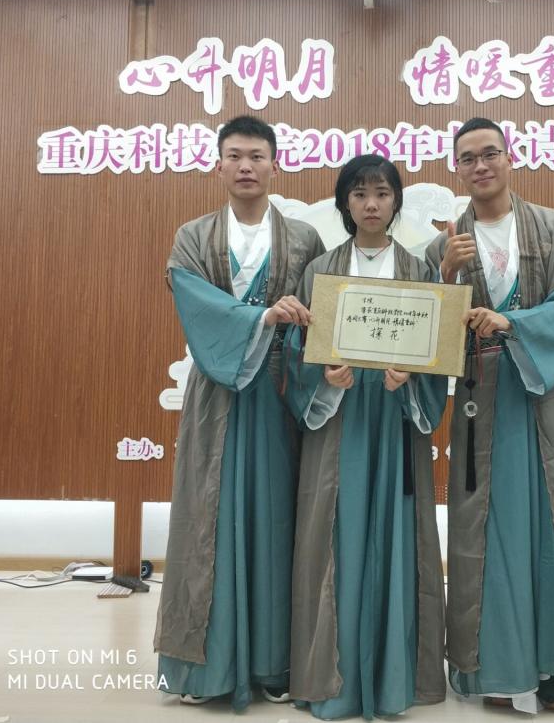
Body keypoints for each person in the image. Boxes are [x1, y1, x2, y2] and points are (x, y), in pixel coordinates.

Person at [426, 118, 554, 717]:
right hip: (479, 398)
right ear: (456, 168)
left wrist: (513, 322)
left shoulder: (552, 229)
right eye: (468, 158)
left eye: (490, 154)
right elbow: (427, 331)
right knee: (488, 530)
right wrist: (445, 277)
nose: (480, 166)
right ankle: (496, 668)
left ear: (510, 158)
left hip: (542, 396)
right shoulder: (446, 244)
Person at [154, 115, 324, 710]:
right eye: (235, 155)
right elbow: (196, 305)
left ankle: (273, 663)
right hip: (217, 395)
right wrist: (262, 317)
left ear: (276, 163)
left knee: (278, 518)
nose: (246, 166)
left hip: (281, 390)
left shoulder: (303, 239)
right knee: (209, 518)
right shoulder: (193, 236)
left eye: (256, 155)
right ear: (218, 164)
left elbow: (321, 312)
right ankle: (206, 668)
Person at [284, 155, 447, 719]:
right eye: (359, 194)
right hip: (342, 417)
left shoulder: (420, 272)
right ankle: (335, 678)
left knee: (395, 535)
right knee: (336, 534)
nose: (371, 204)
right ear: (345, 203)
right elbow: (298, 349)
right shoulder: (319, 271)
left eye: (381, 193)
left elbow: (435, 348)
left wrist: (412, 378)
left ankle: (392, 677)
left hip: (395, 417)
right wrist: (323, 377)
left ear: (396, 201)